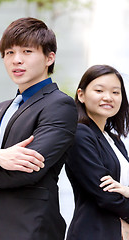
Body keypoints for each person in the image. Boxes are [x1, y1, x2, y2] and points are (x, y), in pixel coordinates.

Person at [0, 17, 77, 240]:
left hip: (31, 229)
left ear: (49, 58)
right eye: (9, 53)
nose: (16, 60)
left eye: (27, 51)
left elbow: (29, 168)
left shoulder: (59, 105)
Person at [65, 64, 129, 240]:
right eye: (99, 90)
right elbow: (106, 195)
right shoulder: (79, 133)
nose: (108, 97)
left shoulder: (114, 140)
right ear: (81, 95)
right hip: (94, 232)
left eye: (116, 92)